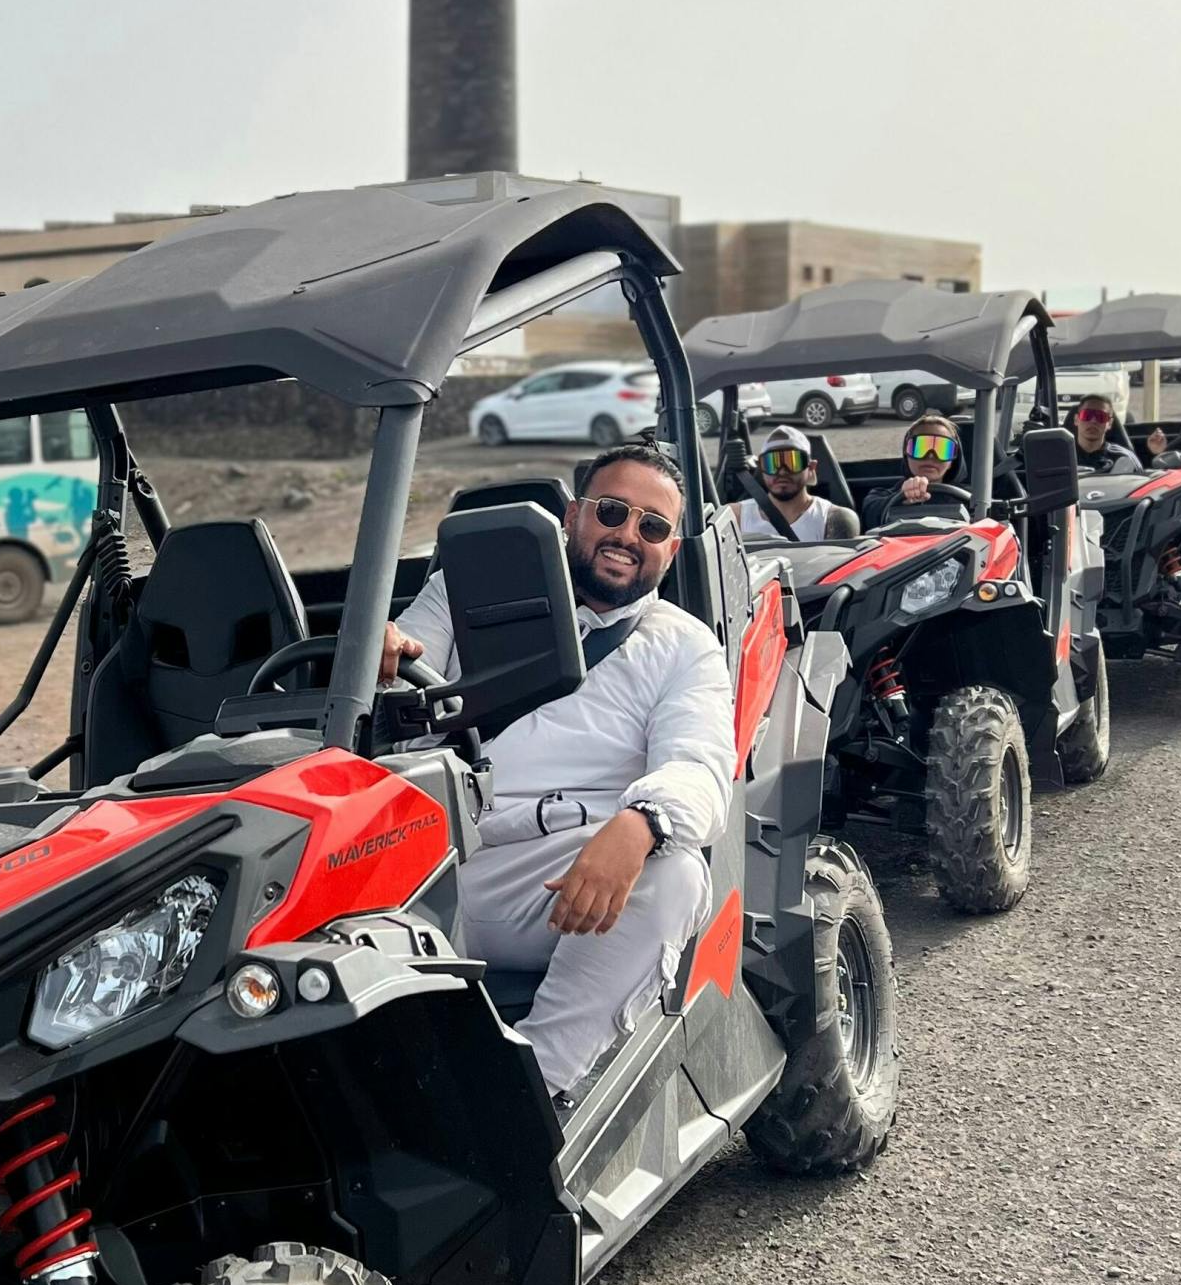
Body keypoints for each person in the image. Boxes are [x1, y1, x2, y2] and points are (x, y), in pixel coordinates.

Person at [381, 442, 734, 1104]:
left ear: (672, 550)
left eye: (652, 527)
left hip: (553, 877)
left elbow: (700, 767)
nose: (628, 535)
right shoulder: (469, 588)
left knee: (675, 871)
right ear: (572, 516)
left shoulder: (685, 646)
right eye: (612, 512)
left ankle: (533, 1092)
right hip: (429, 851)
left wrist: (641, 823)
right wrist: (384, 649)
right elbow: (402, 658)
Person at [733, 428, 861, 545]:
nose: (782, 472)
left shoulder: (834, 519)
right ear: (761, 468)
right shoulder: (735, 517)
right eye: (772, 463)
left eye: (792, 462)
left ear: (811, 467)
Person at [863, 413, 972, 527]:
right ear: (907, 453)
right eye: (921, 447)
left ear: (952, 461)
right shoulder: (879, 497)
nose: (931, 456)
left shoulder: (972, 498)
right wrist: (900, 499)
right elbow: (869, 515)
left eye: (942, 449)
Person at [1069, 394, 1141, 474]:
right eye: (1087, 415)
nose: (1093, 421)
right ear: (1076, 420)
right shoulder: (1060, 457)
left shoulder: (1125, 458)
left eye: (1101, 417)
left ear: (1109, 424)